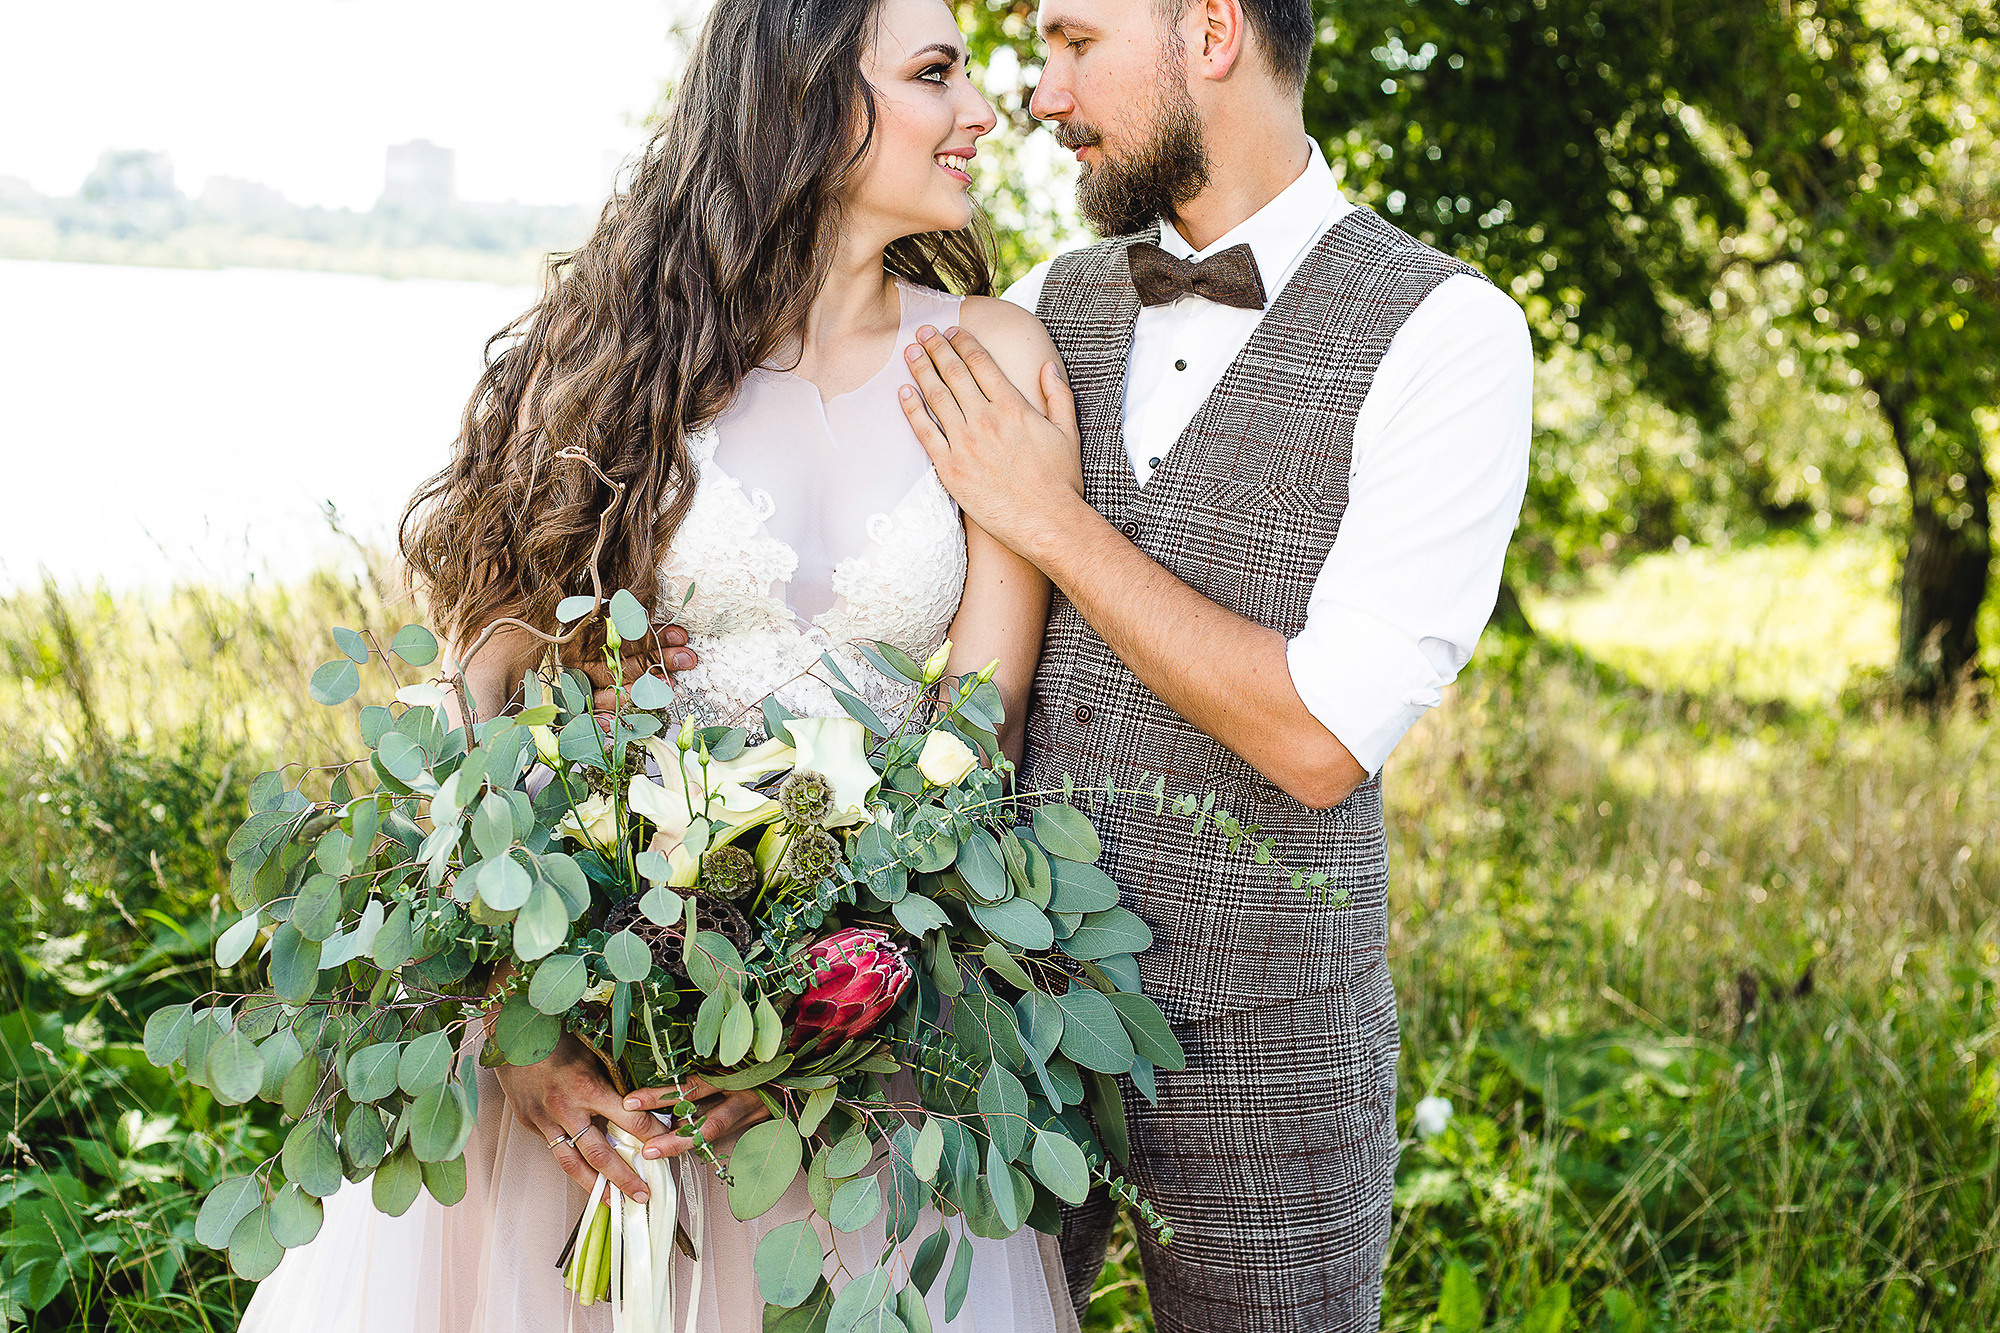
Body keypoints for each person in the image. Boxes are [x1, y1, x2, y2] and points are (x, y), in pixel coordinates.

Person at [240, 0, 1082, 1328]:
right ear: (809, 99)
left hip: (858, 1023)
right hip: (603, 992)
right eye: (935, 73)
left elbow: (983, 721)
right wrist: (518, 1005)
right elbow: (485, 685)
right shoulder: (626, 350)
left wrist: (830, 999)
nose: (984, 110)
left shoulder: (997, 358)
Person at [896, 1, 1533, 1330]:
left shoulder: (1449, 338)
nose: (1041, 95)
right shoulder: (1041, 307)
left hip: (1271, 1043)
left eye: (1073, 43)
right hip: (1009, 1006)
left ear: (1213, 29)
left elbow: (1319, 738)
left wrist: (1052, 515)